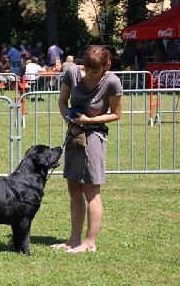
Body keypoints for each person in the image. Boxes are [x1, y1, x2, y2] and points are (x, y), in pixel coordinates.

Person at [55, 45, 123, 253]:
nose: (91, 74)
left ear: (106, 66)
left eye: (96, 71)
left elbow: (116, 113)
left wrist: (89, 120)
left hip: (94, 137)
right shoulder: (72, 73)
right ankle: (74, 239)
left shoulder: (112, 81)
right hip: (74, 134)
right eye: (88, 69)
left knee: (91, 190)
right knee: (73, 187)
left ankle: (90, 242)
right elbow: (62, 101)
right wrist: (70, 121)